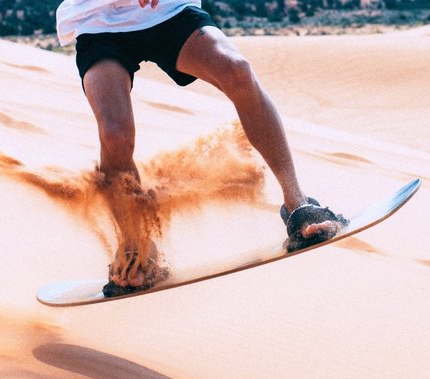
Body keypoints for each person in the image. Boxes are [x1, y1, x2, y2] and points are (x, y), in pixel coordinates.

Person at [56, 0, 348, 296]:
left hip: (167, 11)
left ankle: (298, 204)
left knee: (238, 71)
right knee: (115, 135)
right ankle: (137, 249)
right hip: (98, 21)